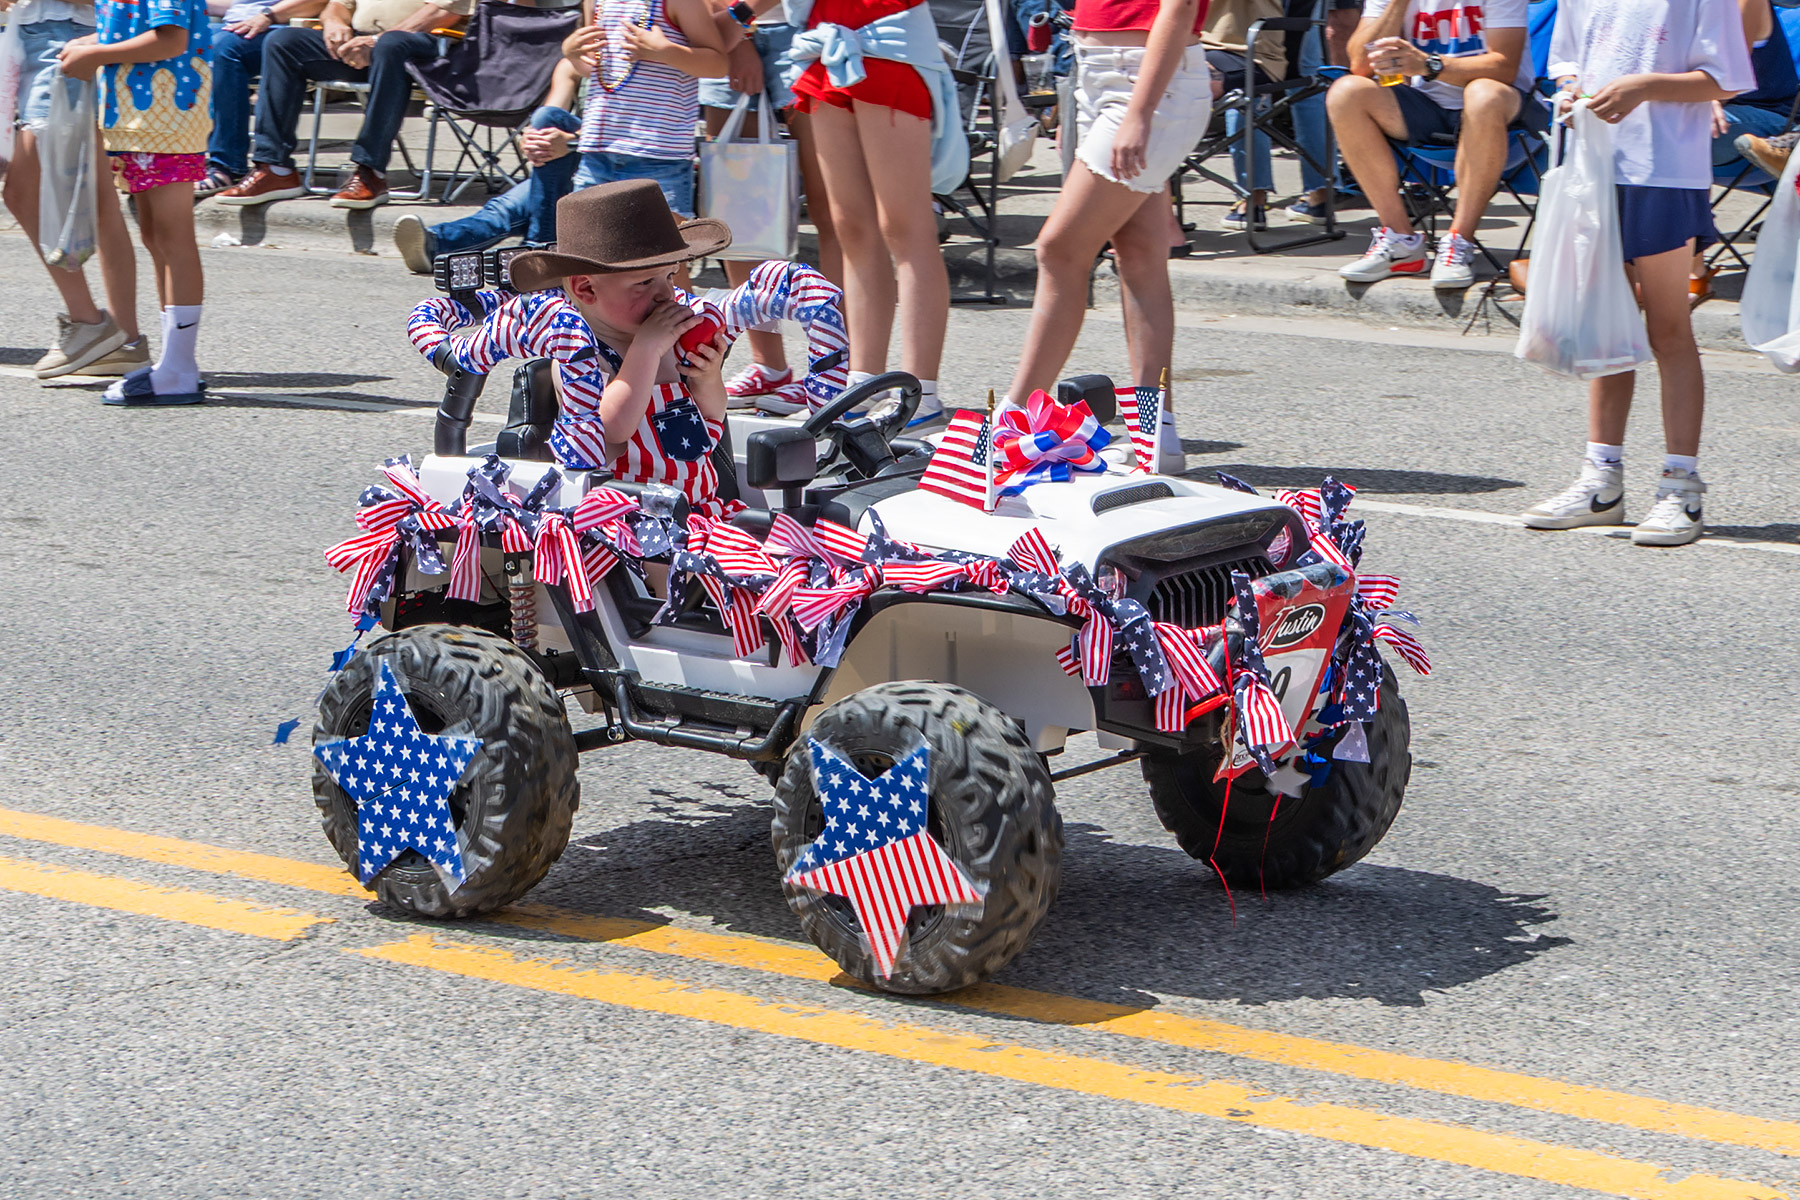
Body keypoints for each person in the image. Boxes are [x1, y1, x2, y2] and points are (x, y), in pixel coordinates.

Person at [1520, 0, 1753, 547]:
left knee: (1668, 328)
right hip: (1594, 165)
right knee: (1606, 323)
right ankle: (1601, 480)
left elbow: (1727, 79)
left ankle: (1681, 486)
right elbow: (1566, 60)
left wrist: (1643, 86)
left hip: (1665, 170)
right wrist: (1572, 89)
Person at [407, 180, 741, 516]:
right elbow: (612, 428)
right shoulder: (582, 356)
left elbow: (713, 415)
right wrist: (647, 350)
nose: (666, 294)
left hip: (700, 507)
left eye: (670, 276)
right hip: (628, 520)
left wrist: (707, 378)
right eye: (644, 282)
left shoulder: (670, 343)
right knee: (676, 566)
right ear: (586, 289)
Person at [1003, 0, 1211, 411]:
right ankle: (1156, 435)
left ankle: (1017, 414)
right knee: (1139, 256)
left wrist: (1140, 111)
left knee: (1060, 250)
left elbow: (1181, 6)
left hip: (1148, 80)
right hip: (1099, 73)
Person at [780, 0, 973, 426]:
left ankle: (921, 391)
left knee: (906, 227)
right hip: (827, 42)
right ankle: (862, 381)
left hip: (891, 43)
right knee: (849, 226)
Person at [1326, 0, 1546, 288]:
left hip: (1506, 114)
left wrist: (1429, 65)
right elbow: (1359, 64)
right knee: (1346, 92)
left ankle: (1459, 241)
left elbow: (1503, 66)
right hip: (1429, 111)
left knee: (1483, 94)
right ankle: (1400, 241)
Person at [59, 0, 211, 405]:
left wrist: (96, 53)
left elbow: (171, 39)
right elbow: (136, 32)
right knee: (155, 236)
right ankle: (173, 363)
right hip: (141, 124)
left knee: (173, 236)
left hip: (168, 120)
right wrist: (92, 41)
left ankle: (180, 367)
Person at [701, 1, 841, 409]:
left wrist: (739, 23)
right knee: (737, 218)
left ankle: (834, 369)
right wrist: (738, 33)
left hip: (802, 28)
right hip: (722, 28)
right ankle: (769, 366)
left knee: (831, 211)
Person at [1, 0, 145, 379]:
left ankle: (92, 324)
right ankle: (124, 341)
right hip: (29, 40)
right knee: (96, 201)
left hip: (64, 42)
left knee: (24, 192)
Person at [214, 0, 472, 210]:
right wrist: (334, 24)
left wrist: (377, 40)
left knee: (392, 44)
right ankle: (274, 168)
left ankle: (370, 171)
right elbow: (338, 3)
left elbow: (442, 12)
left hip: (429, 47)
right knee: (284, 43)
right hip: (364, 42)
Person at [391, 58, 585, 270]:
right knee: (503, 210)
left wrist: (570, 141)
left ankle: (537, 250)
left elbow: (625, 137)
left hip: (605, 168)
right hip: (562, 171)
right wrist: (532, 138)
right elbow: (547, 119)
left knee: (518, 205)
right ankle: (435, 243)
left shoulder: (627, 67)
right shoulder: (572, 65)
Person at [562, 0, 727, 245]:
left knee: (664, 263)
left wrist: (666, 51)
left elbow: (718, 64)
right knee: (590, 254)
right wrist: (572, 54)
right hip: (598, 153)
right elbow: (601, 69)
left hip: (659, 157)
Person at [1203, 0, 1333, 228]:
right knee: (1307, 85)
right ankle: (1320, 196)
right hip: (1260, 47)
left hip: (1240, 48)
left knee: (1249, 92)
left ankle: (1252, 199)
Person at [194, 0, 328, 195]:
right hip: (238, 24)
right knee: (176, 40)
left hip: (284, 29)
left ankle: (228, 166)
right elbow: (240, 6)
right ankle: (163, 159)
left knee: (221, 49)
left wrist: (267, 15)